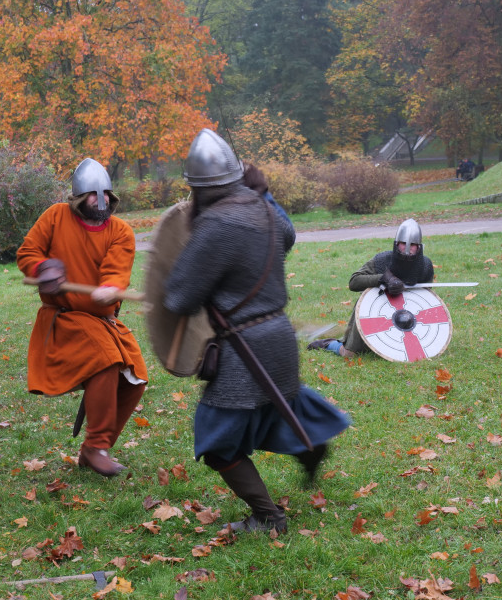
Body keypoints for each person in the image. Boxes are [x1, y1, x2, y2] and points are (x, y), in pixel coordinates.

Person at [163, 129, 350, 533]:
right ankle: (309, 445)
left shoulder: (215, 225)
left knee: (215, 442)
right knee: (276, 405)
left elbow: (179, 299)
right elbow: (288, 235)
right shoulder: (264, 210)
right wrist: (264, 192)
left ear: (197, 188)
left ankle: (268, 517)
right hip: (279, 337)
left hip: (243, 350)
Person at [16, 159, 147, 477]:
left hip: (103, 319)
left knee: (136, 377)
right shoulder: (55, 217)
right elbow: (28, 253)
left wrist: (111, 288)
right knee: (105, 360)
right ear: (77, 196)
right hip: (64, 317)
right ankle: (98, 445)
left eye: (104, 195)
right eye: (92, 195)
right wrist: (43, 269)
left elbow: (117, 269)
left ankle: (93, 449)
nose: (99, 201)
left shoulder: (120, 231)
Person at [307, 218, 434, 358]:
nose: (407, 248)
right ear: (397, 244)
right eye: (404, 243)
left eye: (413, 245)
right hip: (375, 309)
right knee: (349, 354)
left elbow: (426, 298)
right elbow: (354, 282)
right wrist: (383, 278)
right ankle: (330, 344)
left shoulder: (425, 266)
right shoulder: (382, 260)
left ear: (419, 247)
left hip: (406, 315)